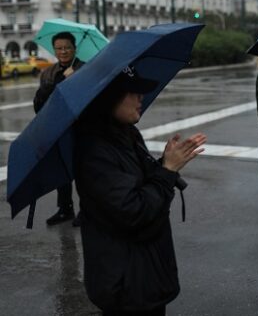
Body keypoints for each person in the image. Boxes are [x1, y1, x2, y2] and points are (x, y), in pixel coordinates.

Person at [73, 66, 207, 315]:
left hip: (143, 272)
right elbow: (133, 211)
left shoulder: (125, 134)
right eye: (132, 92)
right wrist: (167, 171)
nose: (140, 98)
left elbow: (139, 184)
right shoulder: (95, 150)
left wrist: (166, 163)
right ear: (109, 97)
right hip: (125, 282)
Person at [33, 31, 84, 226]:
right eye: (59, 48)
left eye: (67, 48)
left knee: (81, 170)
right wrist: (56, 82)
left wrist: (73, 79)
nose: (63, 51)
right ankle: (65, 209)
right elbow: (39, 105)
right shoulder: (48, 72)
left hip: (81, 128)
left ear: (74, 48)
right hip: (57, 128)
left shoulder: (85, 69)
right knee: (61, 170)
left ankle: (87, 211)